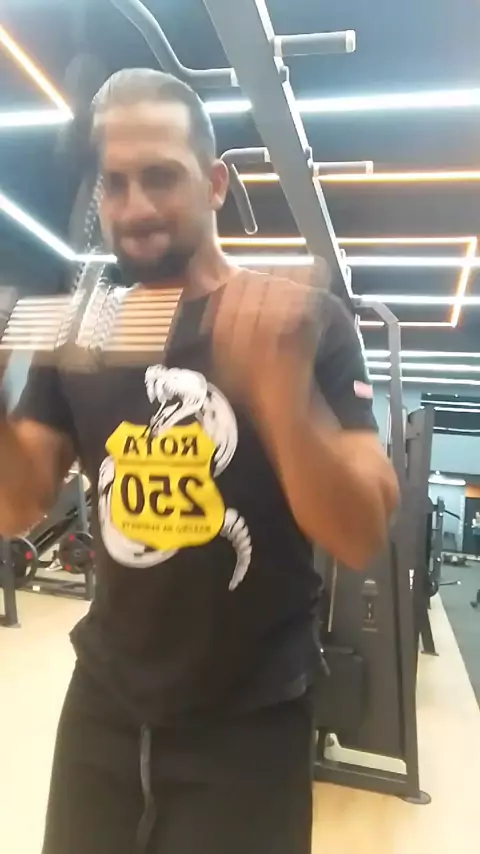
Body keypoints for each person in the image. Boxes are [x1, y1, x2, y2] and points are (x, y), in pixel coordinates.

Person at [0, 69, 399, 854]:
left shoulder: (306, 321)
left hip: (249, 722)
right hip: (105, 706)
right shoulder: (85, 334)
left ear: (215, 183)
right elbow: (16, 505)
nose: (135, 207)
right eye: (115, 183)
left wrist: (283, 401)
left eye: (160, 177)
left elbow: (360, 534)